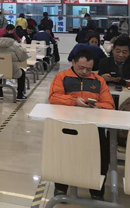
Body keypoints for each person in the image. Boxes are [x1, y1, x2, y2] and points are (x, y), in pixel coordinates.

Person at [49, 50, 114, 200]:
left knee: (101, 155)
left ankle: (96, 190)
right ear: (73, 63)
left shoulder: (98, 81)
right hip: (67, 124)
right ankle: (61, 186)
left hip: (93, 126)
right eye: (81, 68)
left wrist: (97, 106)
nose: (85, 72)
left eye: (89, 69)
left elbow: (109, 104)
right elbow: (53, 97)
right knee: (63, 154)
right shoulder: (61, 77)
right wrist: (73, 101)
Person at [0, 32, 28, 100]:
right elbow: (22, 57)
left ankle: (0, 93)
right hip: (12, 71)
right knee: (22, 73)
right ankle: (20, 95)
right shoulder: (15, 45)